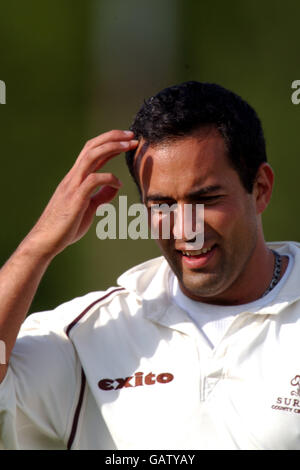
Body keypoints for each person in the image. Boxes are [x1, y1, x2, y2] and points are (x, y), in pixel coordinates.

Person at [0, 81, 299, 450]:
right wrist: (37, 248)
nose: (185, 227)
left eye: (205, 198)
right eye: (162, 205)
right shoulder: (87, 335)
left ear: (261, 189)